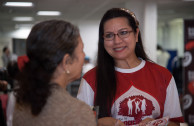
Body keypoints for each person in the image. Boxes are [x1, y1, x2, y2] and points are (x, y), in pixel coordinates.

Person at [77, 8, 184, 126]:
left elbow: (175, 123)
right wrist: (99, 123)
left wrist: (157, 124)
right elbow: (80, 122)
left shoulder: (163, 76)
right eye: (109, 35)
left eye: (123, 32)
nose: (117, 41)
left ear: (136, 34)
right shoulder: (91, 79)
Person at [12, 20, 96, 126]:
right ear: (66, 62)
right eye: (82, 50)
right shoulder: (78, 112)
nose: (84, 56)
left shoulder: (21, 104)